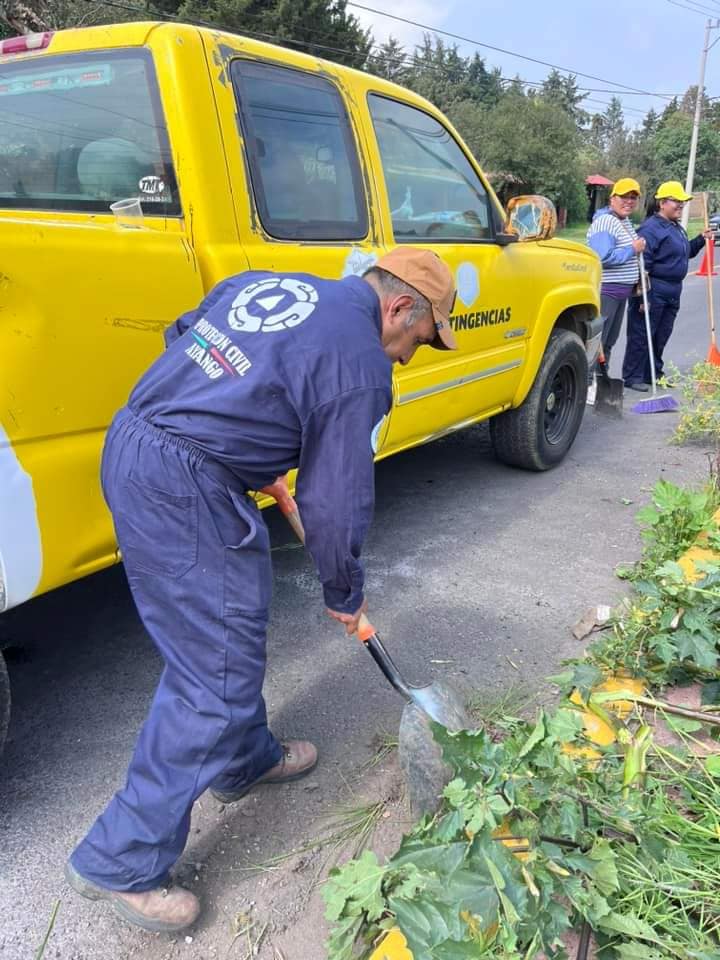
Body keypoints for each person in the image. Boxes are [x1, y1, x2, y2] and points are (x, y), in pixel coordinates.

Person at [64, 247, 457, 933]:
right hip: (183, 485)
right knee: (211, 674)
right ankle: (120, 861)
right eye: (417, 342)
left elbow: (185, 337)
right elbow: (334, 502)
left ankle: (242, 758)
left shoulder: (274, 283)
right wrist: (344, 590)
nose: (406, 358)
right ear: (398, 307)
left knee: (229, 630)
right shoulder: (360, 365)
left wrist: (242, 435)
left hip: (136, 441)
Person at [622, 180, 713, 391]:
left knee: (661, 334)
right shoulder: (651, 228)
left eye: (682, 202)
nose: (680, 205)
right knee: (642, 333)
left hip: (673, 290)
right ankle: (633, 376)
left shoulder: (676, 227)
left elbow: (686, 252)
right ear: (662, 203)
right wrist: (643, 295)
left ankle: (653, 372)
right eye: (676, 201)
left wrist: (700, 239)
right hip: (654, 288)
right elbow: (643, 264)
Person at [586, 177, 647, 372]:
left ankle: (602, 382)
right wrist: (632, 249)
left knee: (609, 342)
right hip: (607, 292)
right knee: (597, 343)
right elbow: (601, 257)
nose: (629, 201)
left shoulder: (624, 221)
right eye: (624, 197)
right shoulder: (606, 222)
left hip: (621, 294)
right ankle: (588, 386)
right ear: (613, 198)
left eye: (633, 197)